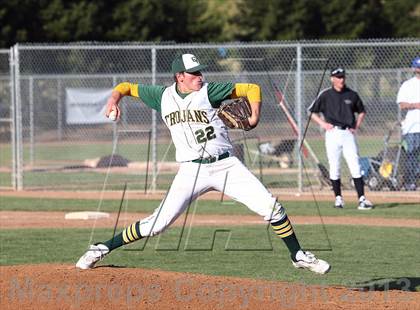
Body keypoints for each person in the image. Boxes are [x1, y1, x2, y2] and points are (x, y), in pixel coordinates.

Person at [76, 53, 330, 274]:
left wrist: (253, 116)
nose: (199, 76)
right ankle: (101, 248)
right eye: (193, 73)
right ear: (179, 77)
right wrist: (113, 100)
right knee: (157, 224)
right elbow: (125, 86)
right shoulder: (162, 97)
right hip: (191, 170)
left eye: (200, 71)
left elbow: (252, 89)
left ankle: (297, 255)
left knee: (272, 207)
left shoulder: (210, 91)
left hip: (226, 166)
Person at [308, 67, 373, 210]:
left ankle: (361, 199)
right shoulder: (325, 95)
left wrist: (356, 125)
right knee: (334, 166)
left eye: (343, 76)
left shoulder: (352, 94)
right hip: (332, 133)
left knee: (355, 165)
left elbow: (362, 111)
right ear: (332, 79)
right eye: (338, 77)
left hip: (348, 133)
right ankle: (338, 199)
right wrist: (323, 124)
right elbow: (312, 112)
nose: (341, 79)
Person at [396, 56, 420, 191]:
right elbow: (402, 104)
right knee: (411, 154)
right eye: (417, 67)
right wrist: (415, 105)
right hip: (412, 126)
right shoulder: (408, 84)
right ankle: (410, 182)